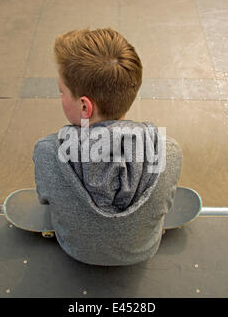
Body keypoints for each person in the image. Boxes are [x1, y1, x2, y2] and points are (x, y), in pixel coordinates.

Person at [32, 28, 182, 266]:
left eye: (62, 92)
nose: (60, 97)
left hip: (75, 250)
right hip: (142, 251)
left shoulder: (48, 152)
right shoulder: (168, 151)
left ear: (84, 107)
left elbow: (46, 200)